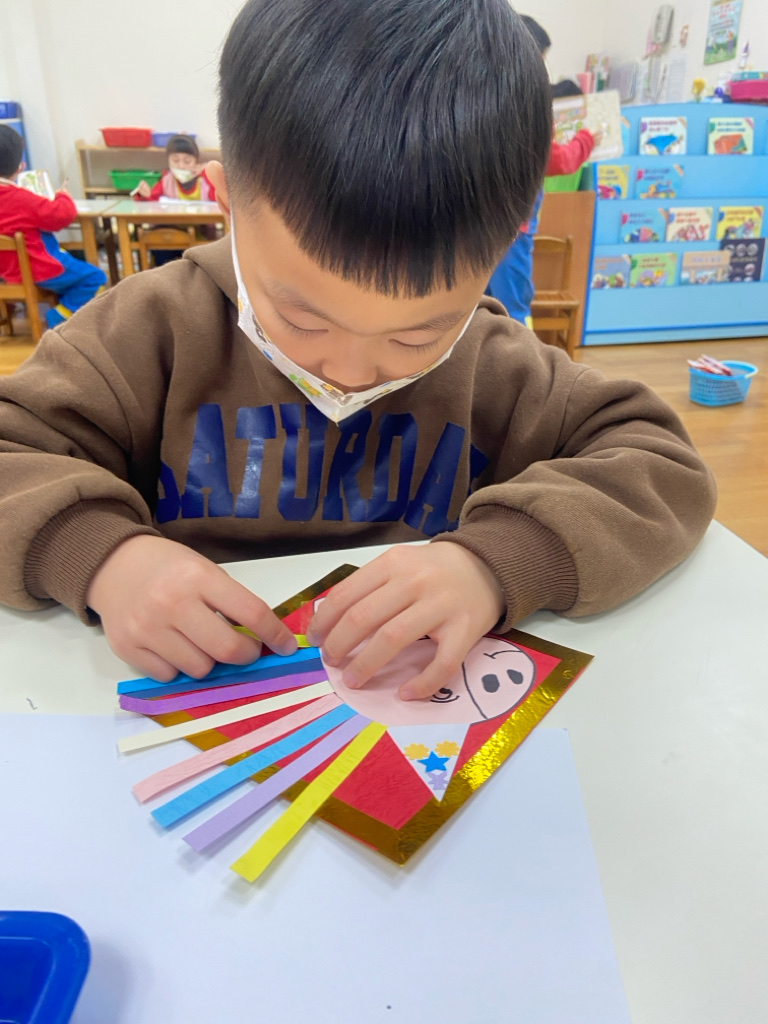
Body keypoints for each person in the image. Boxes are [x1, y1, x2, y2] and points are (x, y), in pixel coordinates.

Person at [0, 0, 716, 705]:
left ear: (504, 248)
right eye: (302, 318)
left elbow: (660, 464)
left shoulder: (497, 363)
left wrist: (496, 561)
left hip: (405, 712)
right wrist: (101, 556)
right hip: (180, 704)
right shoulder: (149, 330)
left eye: (417, 334)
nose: (347, 372)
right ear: (228, 203)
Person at [486, 15, 598, 324]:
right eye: (540, 59)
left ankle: (491, 349)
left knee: (484, 303)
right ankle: (516, 352)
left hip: (486, 224)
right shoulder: (521, 106)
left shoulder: (493, 98)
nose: (542, 69)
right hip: (511, 229)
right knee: (513, 306)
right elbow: (557, 159)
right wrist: (587, 140)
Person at [0, 125, 106, 328]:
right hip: (39, 268)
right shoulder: (21, 199)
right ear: (20, 167)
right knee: (95, 277)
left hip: (6, 271)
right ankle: (59, 317)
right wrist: (63, 196)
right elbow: (61, 216)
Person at [135, 134, 216, 202]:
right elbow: (152, 201)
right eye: (175, 160)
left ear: (196, 161)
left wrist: (207, 173)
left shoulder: (206, 178)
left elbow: (218, 199)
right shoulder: (167, 180)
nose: (181, 166)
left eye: (187, 161)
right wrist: (145, 195)